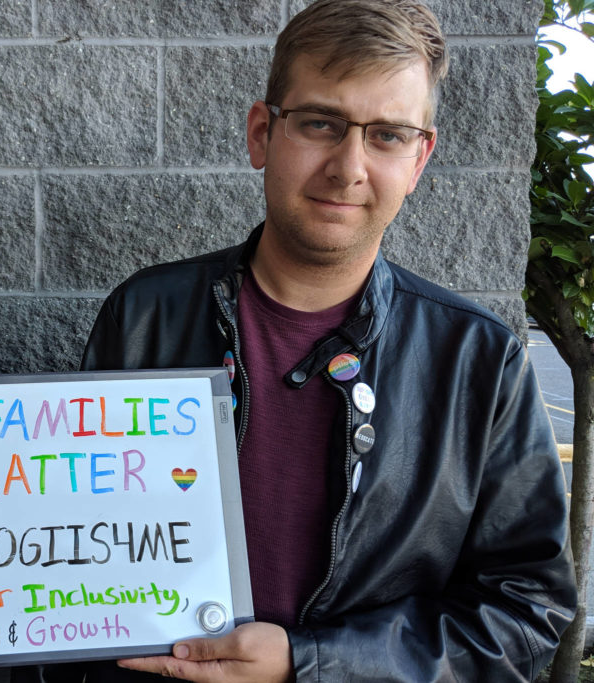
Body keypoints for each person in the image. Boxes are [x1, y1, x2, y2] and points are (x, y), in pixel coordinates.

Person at [49, 0, 576, 680]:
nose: (348, 165)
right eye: (322, 123)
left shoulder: (477, 359)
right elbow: (70, 552)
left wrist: (312, 662)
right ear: (262, 133)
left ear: (420, 159)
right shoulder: (144, 315)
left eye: (387, 135)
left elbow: (526, 611)